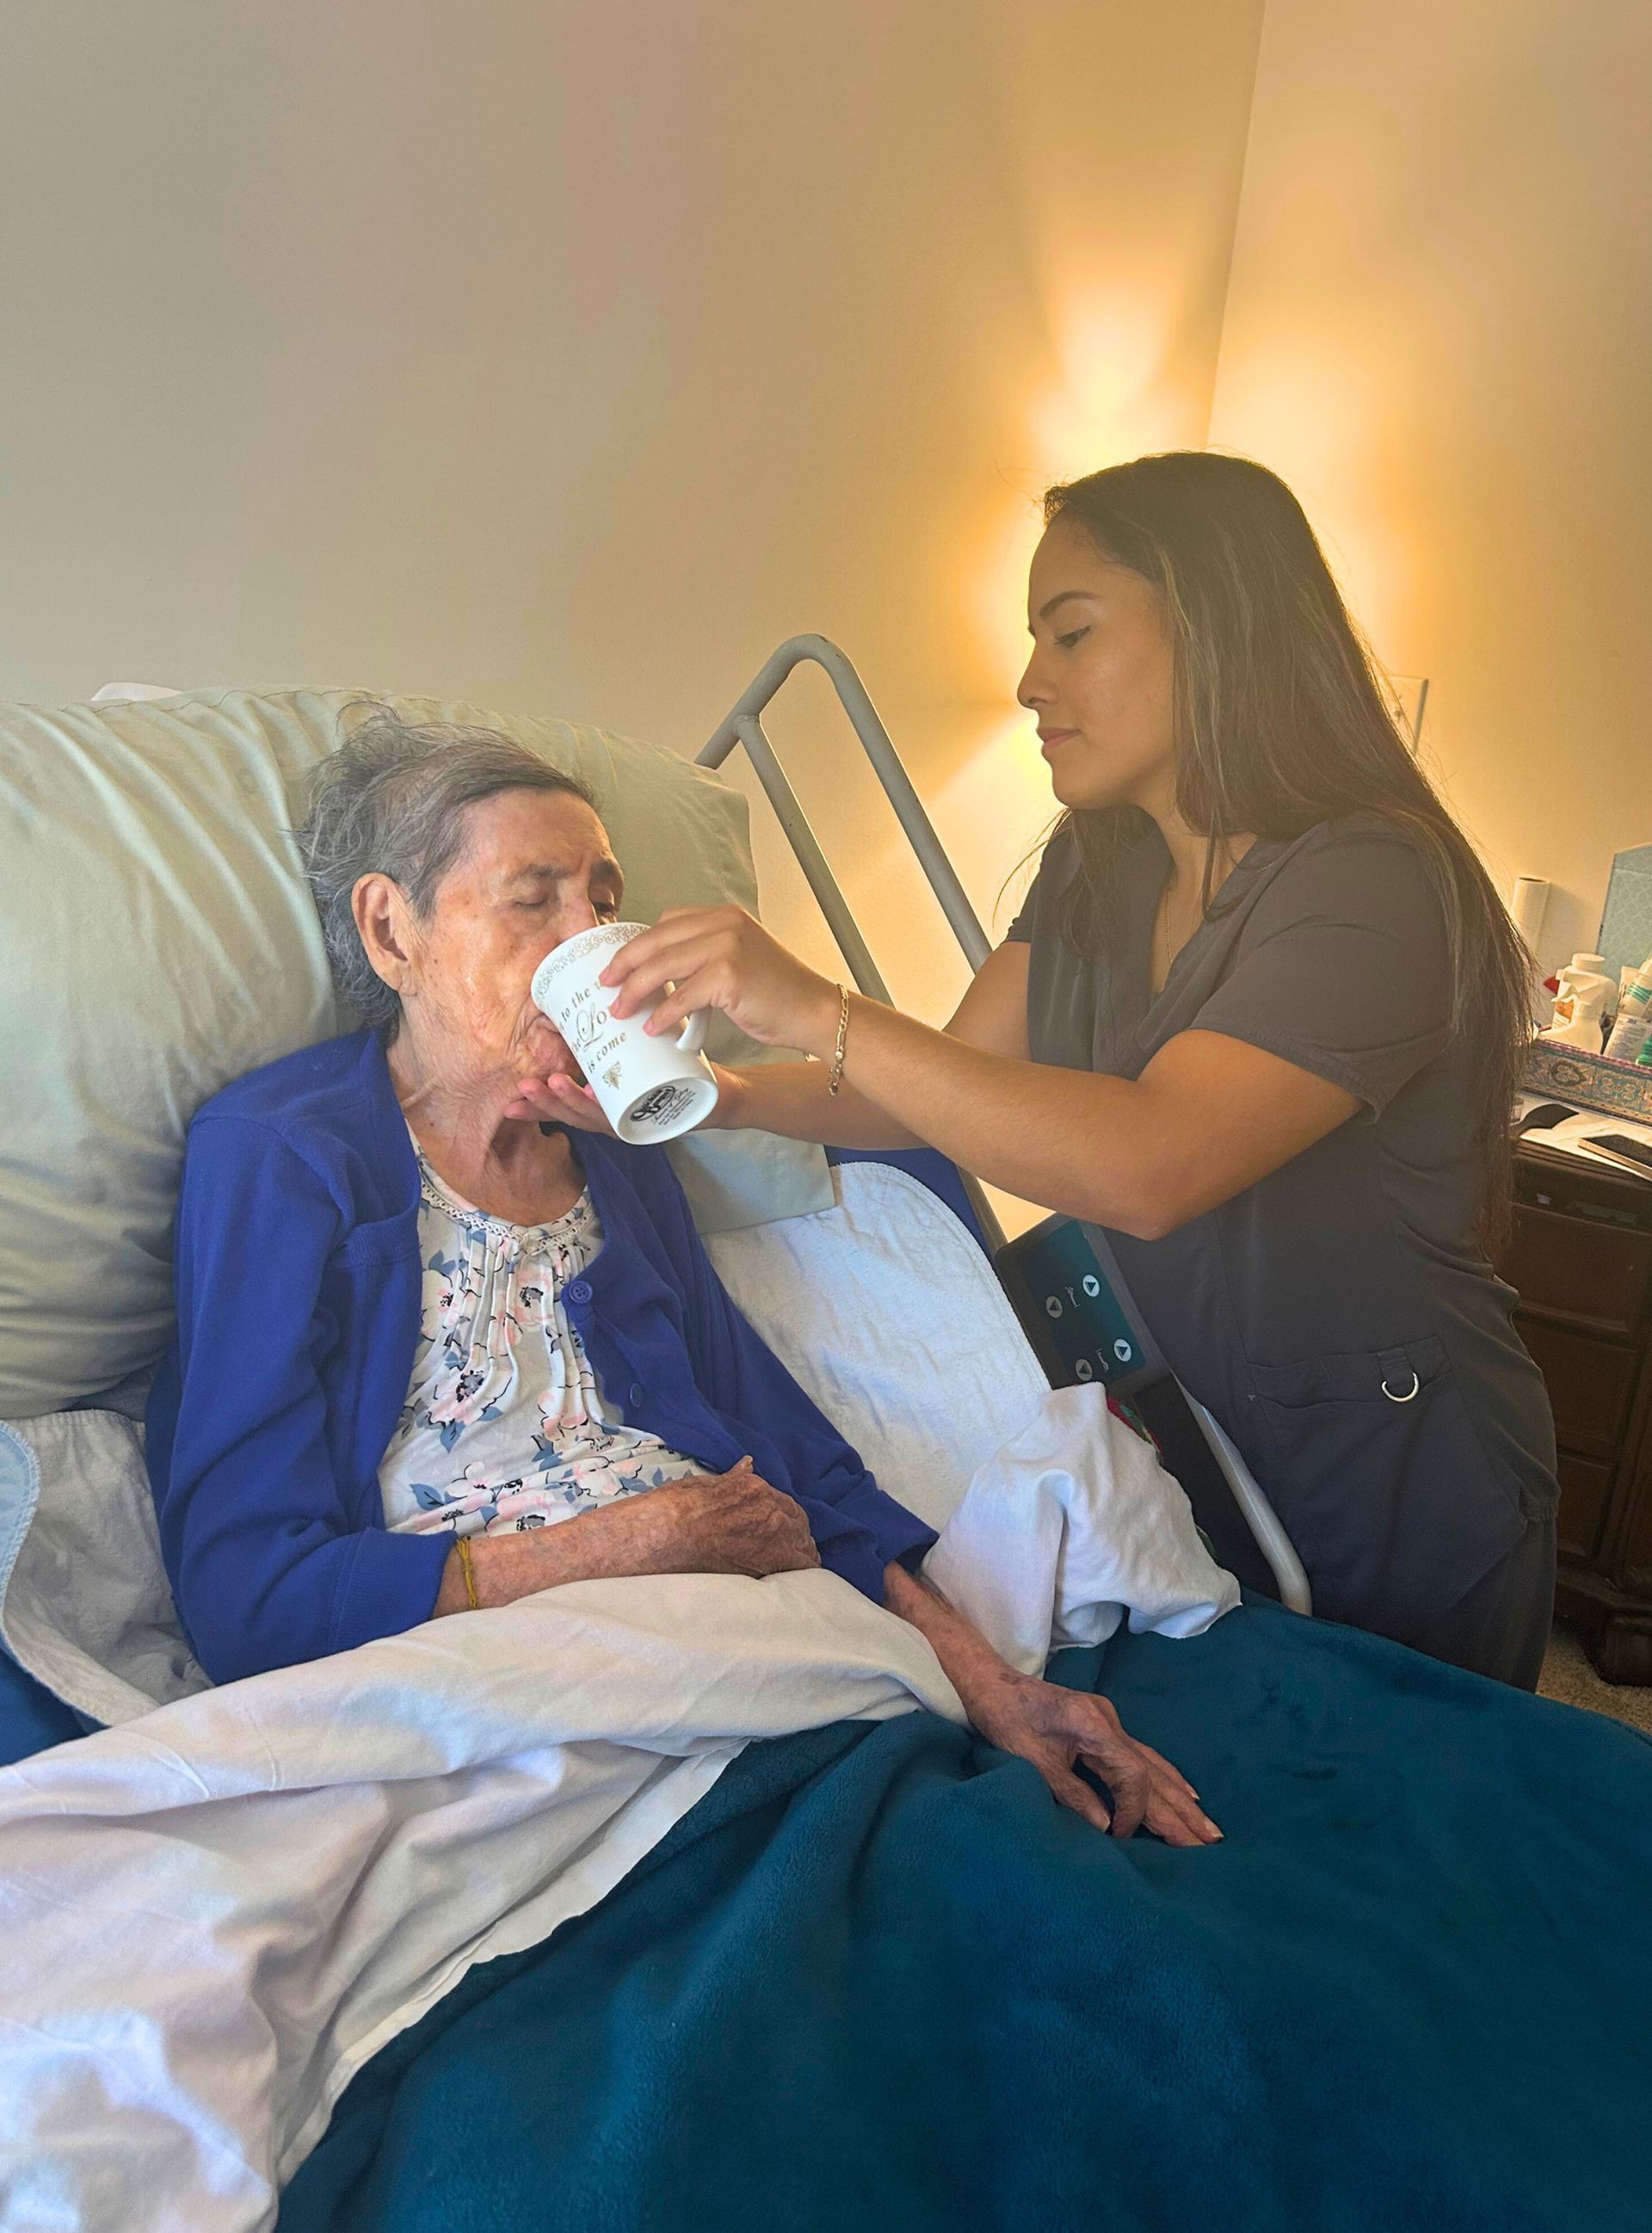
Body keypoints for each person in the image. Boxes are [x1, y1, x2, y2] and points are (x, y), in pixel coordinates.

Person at [537, 452, 1559, 1690]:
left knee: (1422, 1826)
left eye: (1070, 634)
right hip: (1193, 1443)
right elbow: (932, 1087)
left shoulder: (1372, 887)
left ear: (1220, 627)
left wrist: (813, 1001)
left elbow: (1152, 1163)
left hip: (1391, 1471)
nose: (1030, 682)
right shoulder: (1097, 869)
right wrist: (730, 1100)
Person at [144, 711, 1217, 1847]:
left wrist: (994, 1691)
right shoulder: (279, 1151)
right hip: (513, 1688)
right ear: (391, 931)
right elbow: (245, 1595)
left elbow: (787, 1456)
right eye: (533, 897)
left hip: (752, 1647)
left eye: (603, 902)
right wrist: (628, 1542)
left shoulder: (621, 1165)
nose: (596, 938)